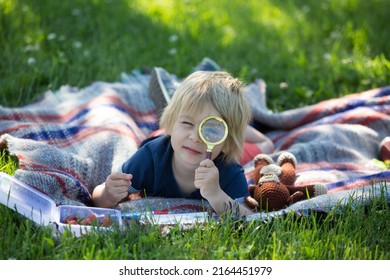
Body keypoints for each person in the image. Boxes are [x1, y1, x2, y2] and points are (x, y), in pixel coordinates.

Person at [92, 71, 257, 216]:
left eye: (211, 130)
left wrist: (216, 194)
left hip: (228, 145)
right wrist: (108, 193)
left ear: (227, 142)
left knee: (265, 145)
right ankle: (170, 99)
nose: (195, 137)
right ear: (170, 123)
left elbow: (249, 217)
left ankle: (242, 130)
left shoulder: (229, 169)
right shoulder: (149, 158)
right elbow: (99, 199)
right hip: (163, 137)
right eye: (187, 123)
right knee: (164, 132)